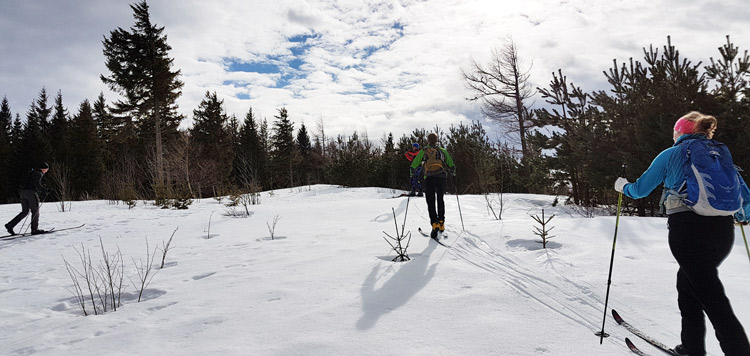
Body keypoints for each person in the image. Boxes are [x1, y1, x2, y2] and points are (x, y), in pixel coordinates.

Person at [614, 112, 750, 356]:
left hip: (688, 232)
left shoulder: (673, 153)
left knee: (712, 298)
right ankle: (691, 347)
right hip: (723, 234)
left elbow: (641, 189)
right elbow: (745, 200)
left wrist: (622, 186)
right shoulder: (718, 156)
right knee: (688, 285)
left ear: (679, 133)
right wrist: (741, 215)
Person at [410, 133, 455, 238]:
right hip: (441, 177)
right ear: (436, 140)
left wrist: (412, 172)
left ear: (428, 141)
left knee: (430, 200)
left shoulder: (424, 151)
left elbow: (415, 163)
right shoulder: (442, 150)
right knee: (440, 199)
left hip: (429, 177)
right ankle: (441, 223)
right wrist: (452, 171)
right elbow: (451, 163)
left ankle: (434, 224)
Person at [5, 162, 50, 235]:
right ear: (44, 169)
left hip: (23, 193)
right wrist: (44, 190)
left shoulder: (31, 172)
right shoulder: (39, 174)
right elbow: (37, 184)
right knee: (35, 211)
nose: (47, 170)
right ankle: (34, 229)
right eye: (47, 169)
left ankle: (10, 224)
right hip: (31, 193)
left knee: (25, 211)